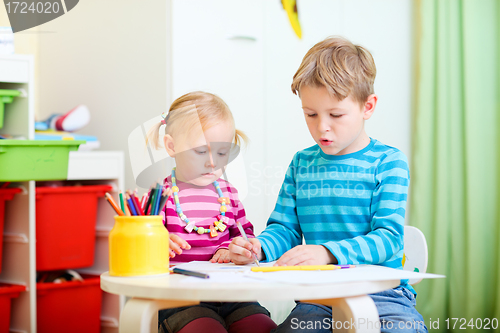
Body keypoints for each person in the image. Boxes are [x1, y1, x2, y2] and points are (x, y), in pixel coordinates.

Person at [228, 37, 427, 333]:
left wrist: (327, 252)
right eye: (310, 114)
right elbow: (285, 229)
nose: (322, 126)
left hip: (383, 296)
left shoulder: (388, 162)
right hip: (318, 299)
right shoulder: (302, 163)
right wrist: (259, 247)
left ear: (367, 106)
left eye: (335, 115)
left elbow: (389, 239)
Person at [146, 91, 277, 333]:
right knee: (206, 329)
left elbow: (246, 237)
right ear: (172, 146)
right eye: (200, 151)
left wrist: (238, 248)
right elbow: (140, 244)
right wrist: (156, 243)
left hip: (231, 296)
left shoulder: (230, 194)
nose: (212, 162)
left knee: (263, 326)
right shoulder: (160, 196)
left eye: (221, 152)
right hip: (180, 301)